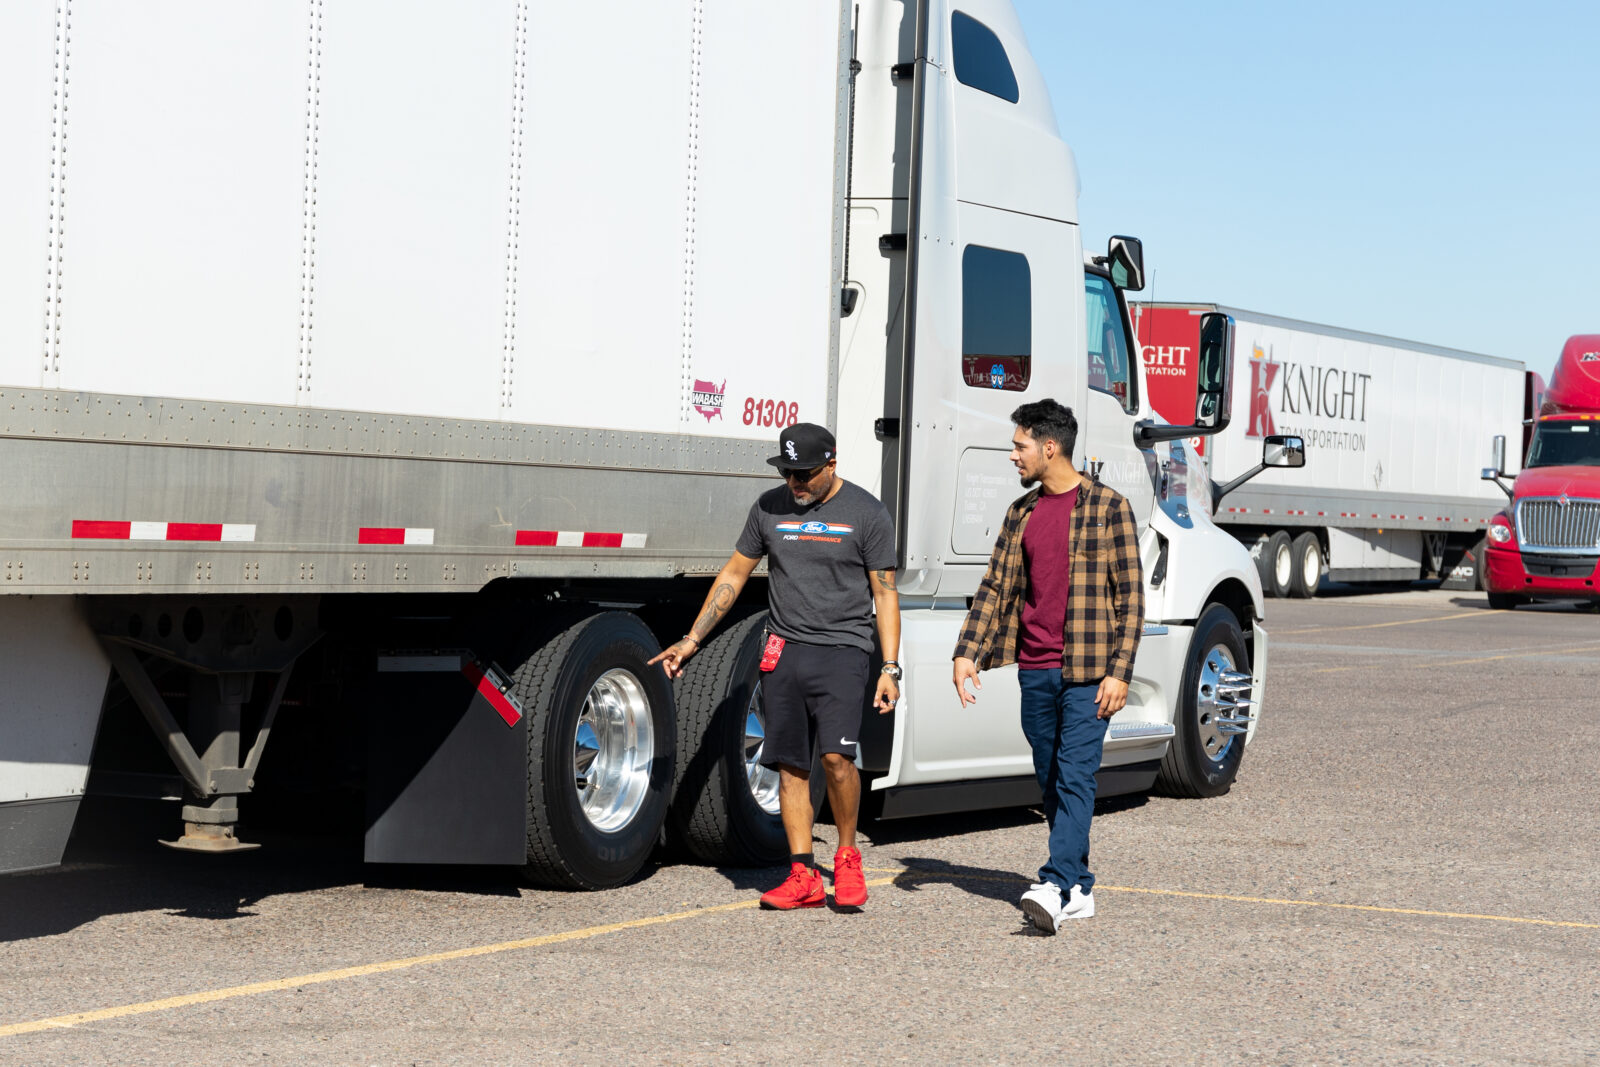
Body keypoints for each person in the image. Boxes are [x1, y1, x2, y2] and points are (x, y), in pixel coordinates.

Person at [650, 423, 900, 911]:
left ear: (832, 464)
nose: (795, 484)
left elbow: (885, 593)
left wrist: (890, 666)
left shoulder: (867, 513)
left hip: (844, 651)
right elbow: (735, 573)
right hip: (784, 651)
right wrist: (692, 639)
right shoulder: (768, 507)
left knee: (836, 759)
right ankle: (803, 873)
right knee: (790, 764)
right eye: (788, 473)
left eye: (804, 473)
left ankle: (847, 856)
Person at [951, 399, 1144, 934]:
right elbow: (996, 588)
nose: (1013, 455)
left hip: (1088, 672)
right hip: (1034, 669)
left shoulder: (1109, 508)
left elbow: (1131, 598)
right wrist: (967, 651)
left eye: (1020, 446)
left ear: (1049, 447)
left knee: (1077, 775)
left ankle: (1054, 884)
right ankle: (1080, 886)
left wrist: (1120, 671)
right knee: (1051, 777)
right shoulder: (1022, 513)